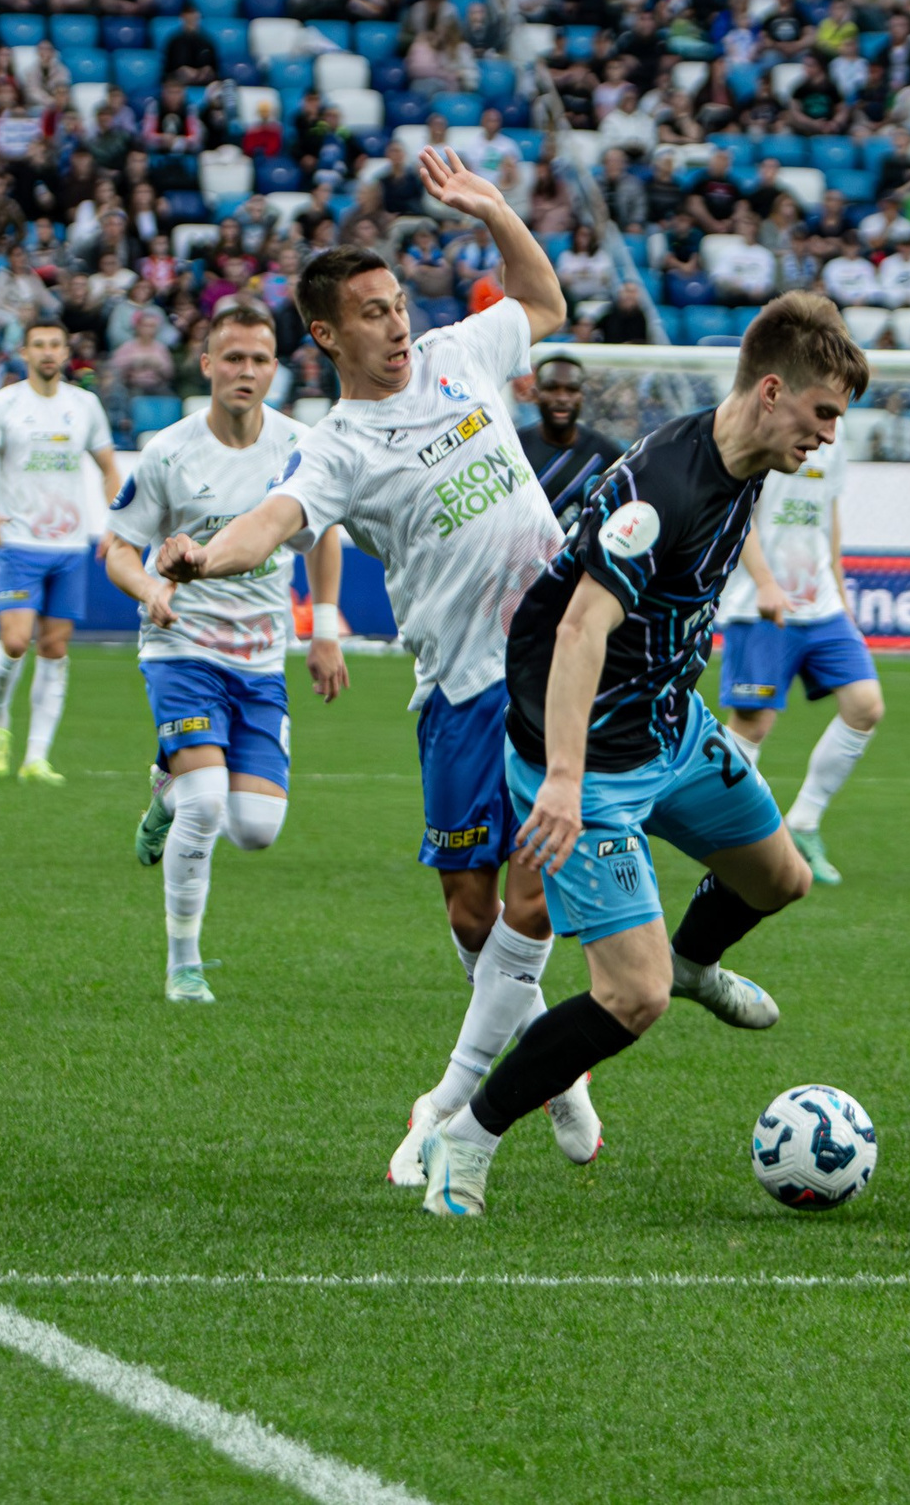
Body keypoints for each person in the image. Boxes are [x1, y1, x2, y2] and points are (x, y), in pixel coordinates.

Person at [153, 148, 599, 1182]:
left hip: (553, 661)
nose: (397, 324)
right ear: (326, 334)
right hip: (456, 684)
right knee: (470, 911)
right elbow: (272, 522)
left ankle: (466, 1101)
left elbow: (544, 300)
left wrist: (494, 210)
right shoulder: (338, 446)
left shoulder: (458, 353)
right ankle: (558, 1071)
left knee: (532, 894)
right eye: (371, 313)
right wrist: (205, 556)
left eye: (398, 305)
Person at [402, 291, 866, 1217]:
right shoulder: (661, 487)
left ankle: (696, 961)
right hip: (590, 761)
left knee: (779, 879)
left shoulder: (749, 460)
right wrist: (564, 779)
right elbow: (579, 628)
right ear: (772, 392)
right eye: (822, 413)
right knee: (631, 995)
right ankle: (469, 1136)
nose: (828, 435)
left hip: (669, 726)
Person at [103, 299, 350, 1003]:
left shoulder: (301, 447)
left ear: (276, 369)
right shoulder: (169, 451)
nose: (246, 370)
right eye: (233, 357)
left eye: (259, 359)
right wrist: (151, 589)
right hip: (181, 646)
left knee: (257, 830)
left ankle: (167, 784)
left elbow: (323, 536)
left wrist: (323, 630)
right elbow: (116, 548)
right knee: (207, 803)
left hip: (261, 656)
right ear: (207, 364)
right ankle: (183, 965)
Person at [714, 434, 883, 886]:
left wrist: (842, 593)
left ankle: (804, 820)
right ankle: (725, 833)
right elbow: (737, 514)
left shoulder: (836, 437)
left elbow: (829, 514)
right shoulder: (765, 430)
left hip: (822, 604)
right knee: (752, 725)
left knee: (865, 706)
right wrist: (766, 583)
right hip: (760, 604)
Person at [0, 320, 124, 784]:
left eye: (55, 344)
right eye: (39, 345)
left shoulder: (85, 405)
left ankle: (37, 757)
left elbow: (109, 469)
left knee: (55, 648)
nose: (48, 352)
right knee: (16, 642)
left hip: (70, 546)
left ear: (66, 352)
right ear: (25, 353)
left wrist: (116, 523)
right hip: (19, 543)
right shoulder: (5, 404)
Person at [516, 354, 621, 521]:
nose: (562, 398)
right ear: (535, 394)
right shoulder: (514, 449)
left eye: (571, 389)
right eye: (551, 388)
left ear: (582, 395)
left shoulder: (607, 457)